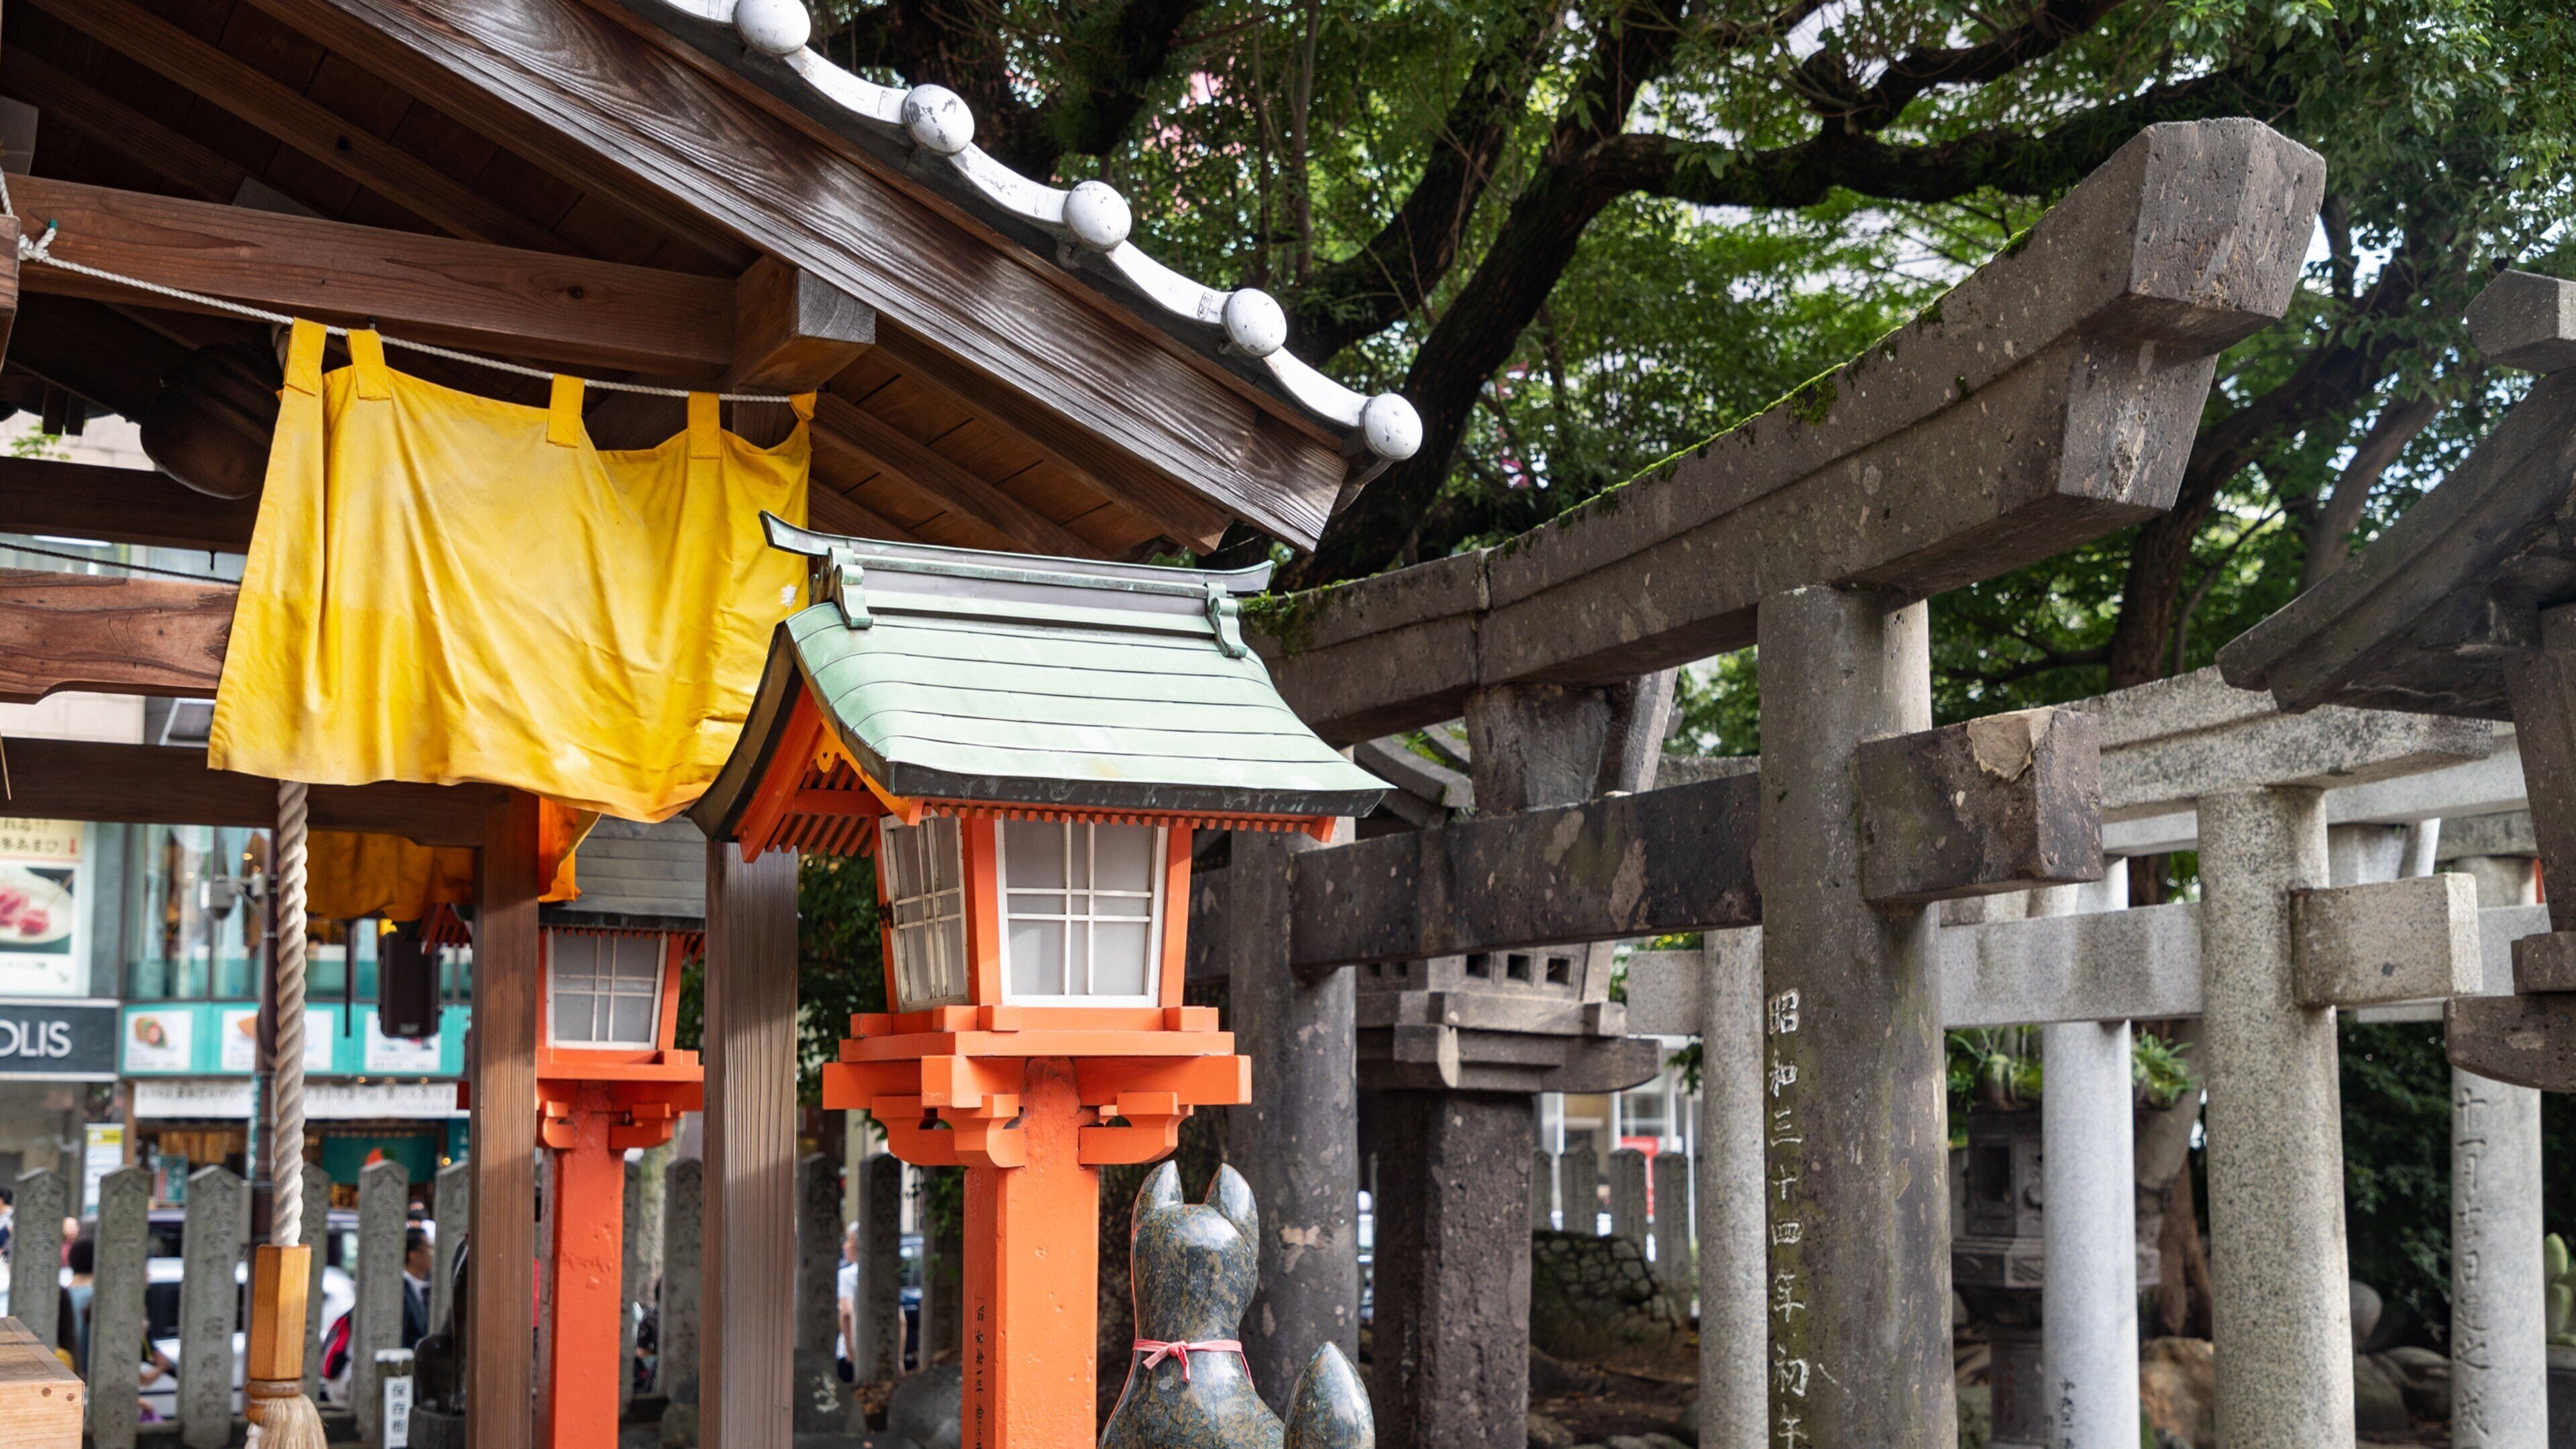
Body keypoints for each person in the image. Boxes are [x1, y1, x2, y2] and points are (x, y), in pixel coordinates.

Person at [835, 1222, 860, 1382]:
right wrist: (899, 1360)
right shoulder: (884, 1275)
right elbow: (901, 1321)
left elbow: (846, 1314)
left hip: (849, 1353)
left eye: (849, 1241)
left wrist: (850, 1352)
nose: (845, 1246)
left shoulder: (846, 1275)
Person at [401, 1227, 433, 1348]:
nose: (432, 1254)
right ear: (414, 1256)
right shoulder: (401, 1292)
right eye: (429, 1249)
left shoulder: (426, 1288)